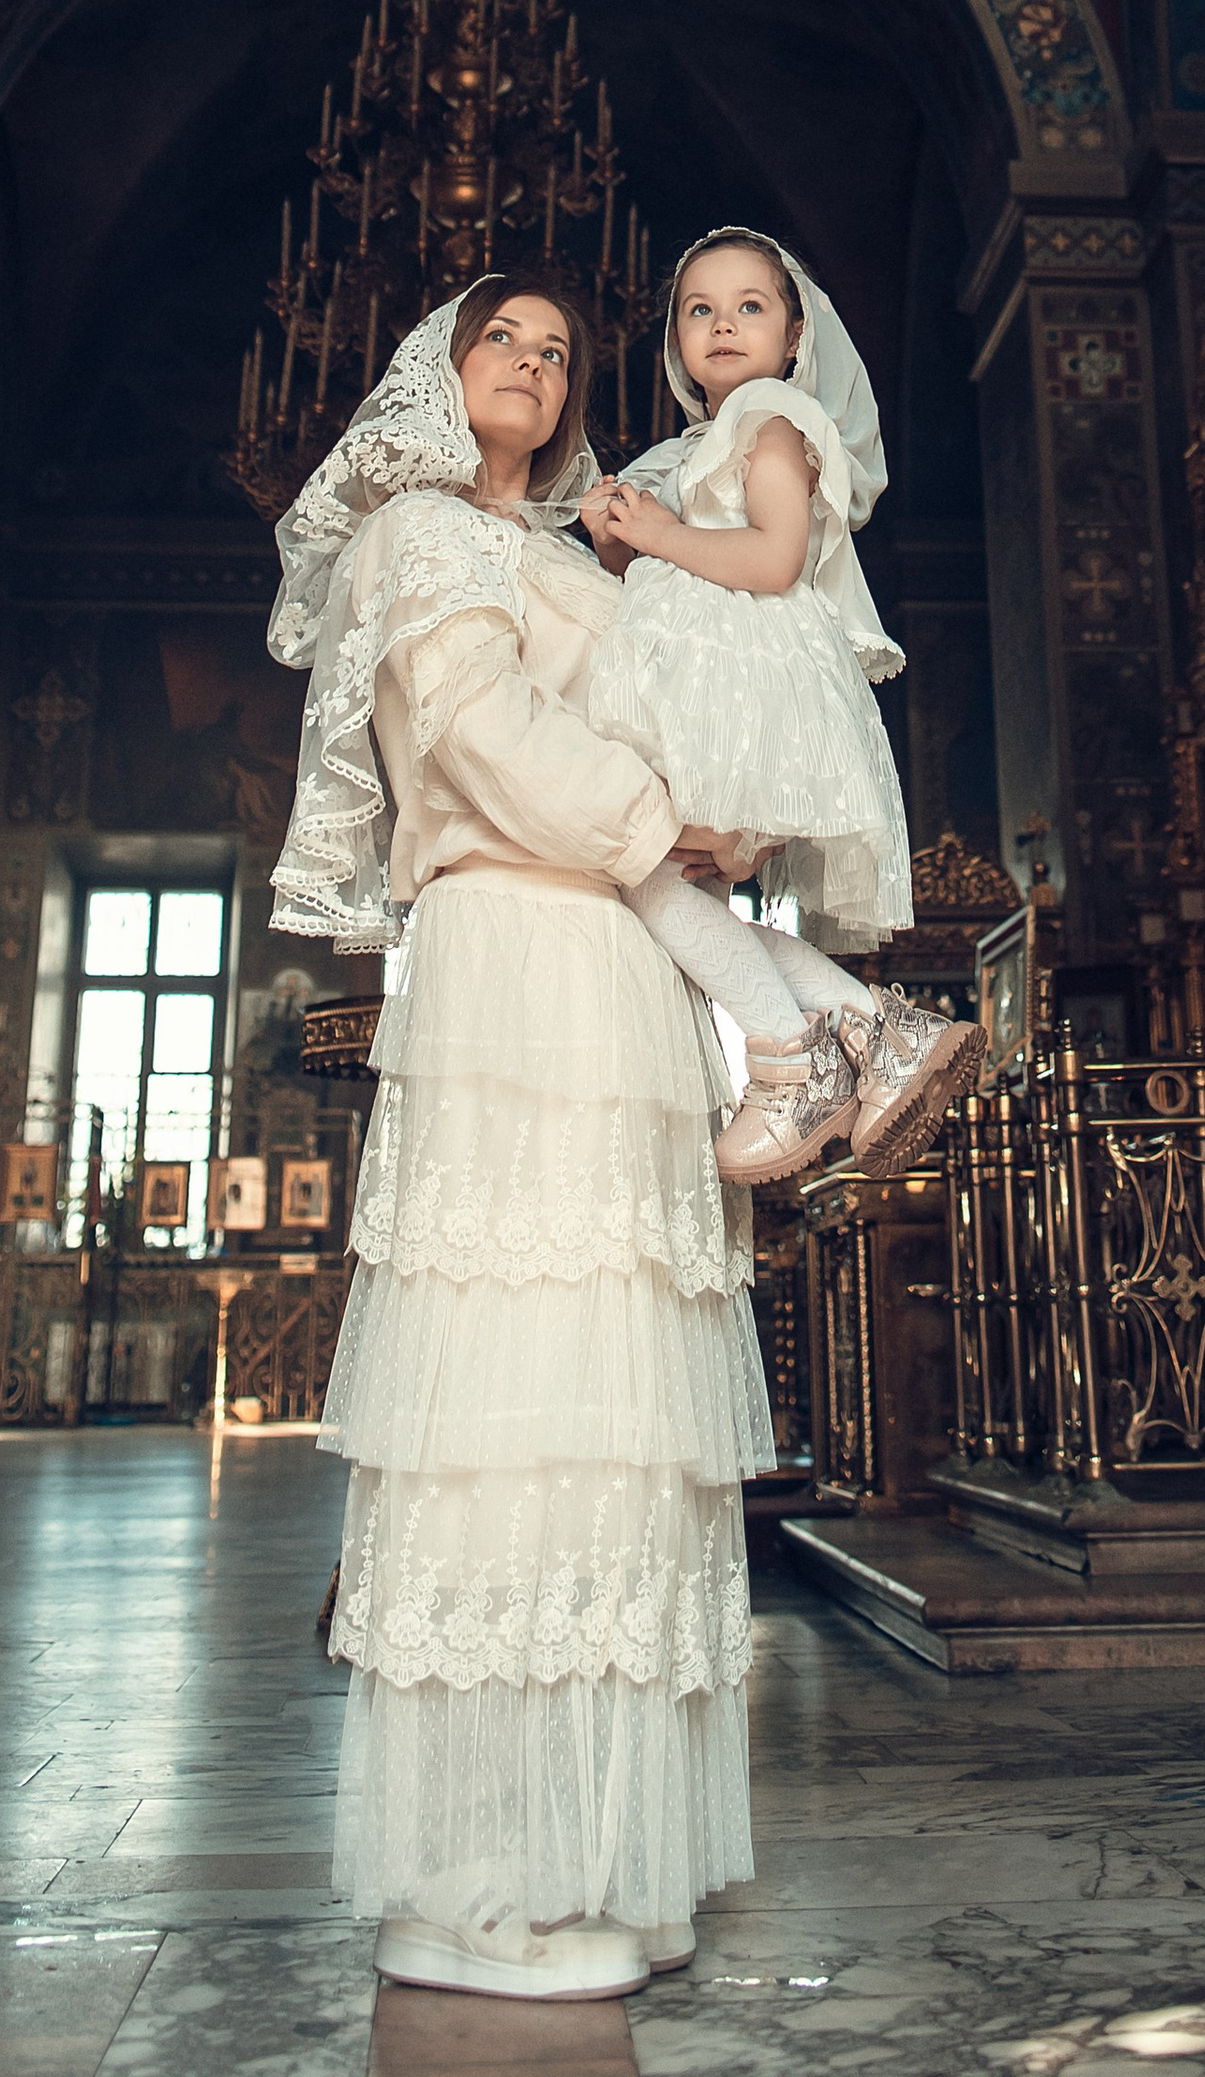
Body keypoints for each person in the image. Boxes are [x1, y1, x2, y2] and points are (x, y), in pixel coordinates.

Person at [267, 280, 765, 2007]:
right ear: (441, 369)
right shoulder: (415, 535)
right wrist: (662, 816)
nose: (538, 370)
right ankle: (476, 1874)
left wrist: (731, 805)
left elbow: (659, 707)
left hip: (620, 965)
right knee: (511, 1387)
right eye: (507, 343)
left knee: (621, 1392)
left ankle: (608, 1854)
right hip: (508, 958)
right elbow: (478, 737)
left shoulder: (569, 548)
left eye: (559, 353)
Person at [583, 229, 983, 1186]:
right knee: (673, 886)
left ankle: (792, 1060)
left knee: (648, 879)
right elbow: (669, 566)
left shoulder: (770, 421)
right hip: (707, 691)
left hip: (747, 691)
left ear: (795, 334)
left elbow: (772, 559)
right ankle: (875, 1030)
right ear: (677, 338)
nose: (723, 325)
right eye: (700, 310)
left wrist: (660, 534)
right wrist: (617, 540)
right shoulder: (697, 445)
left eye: (749, 307)